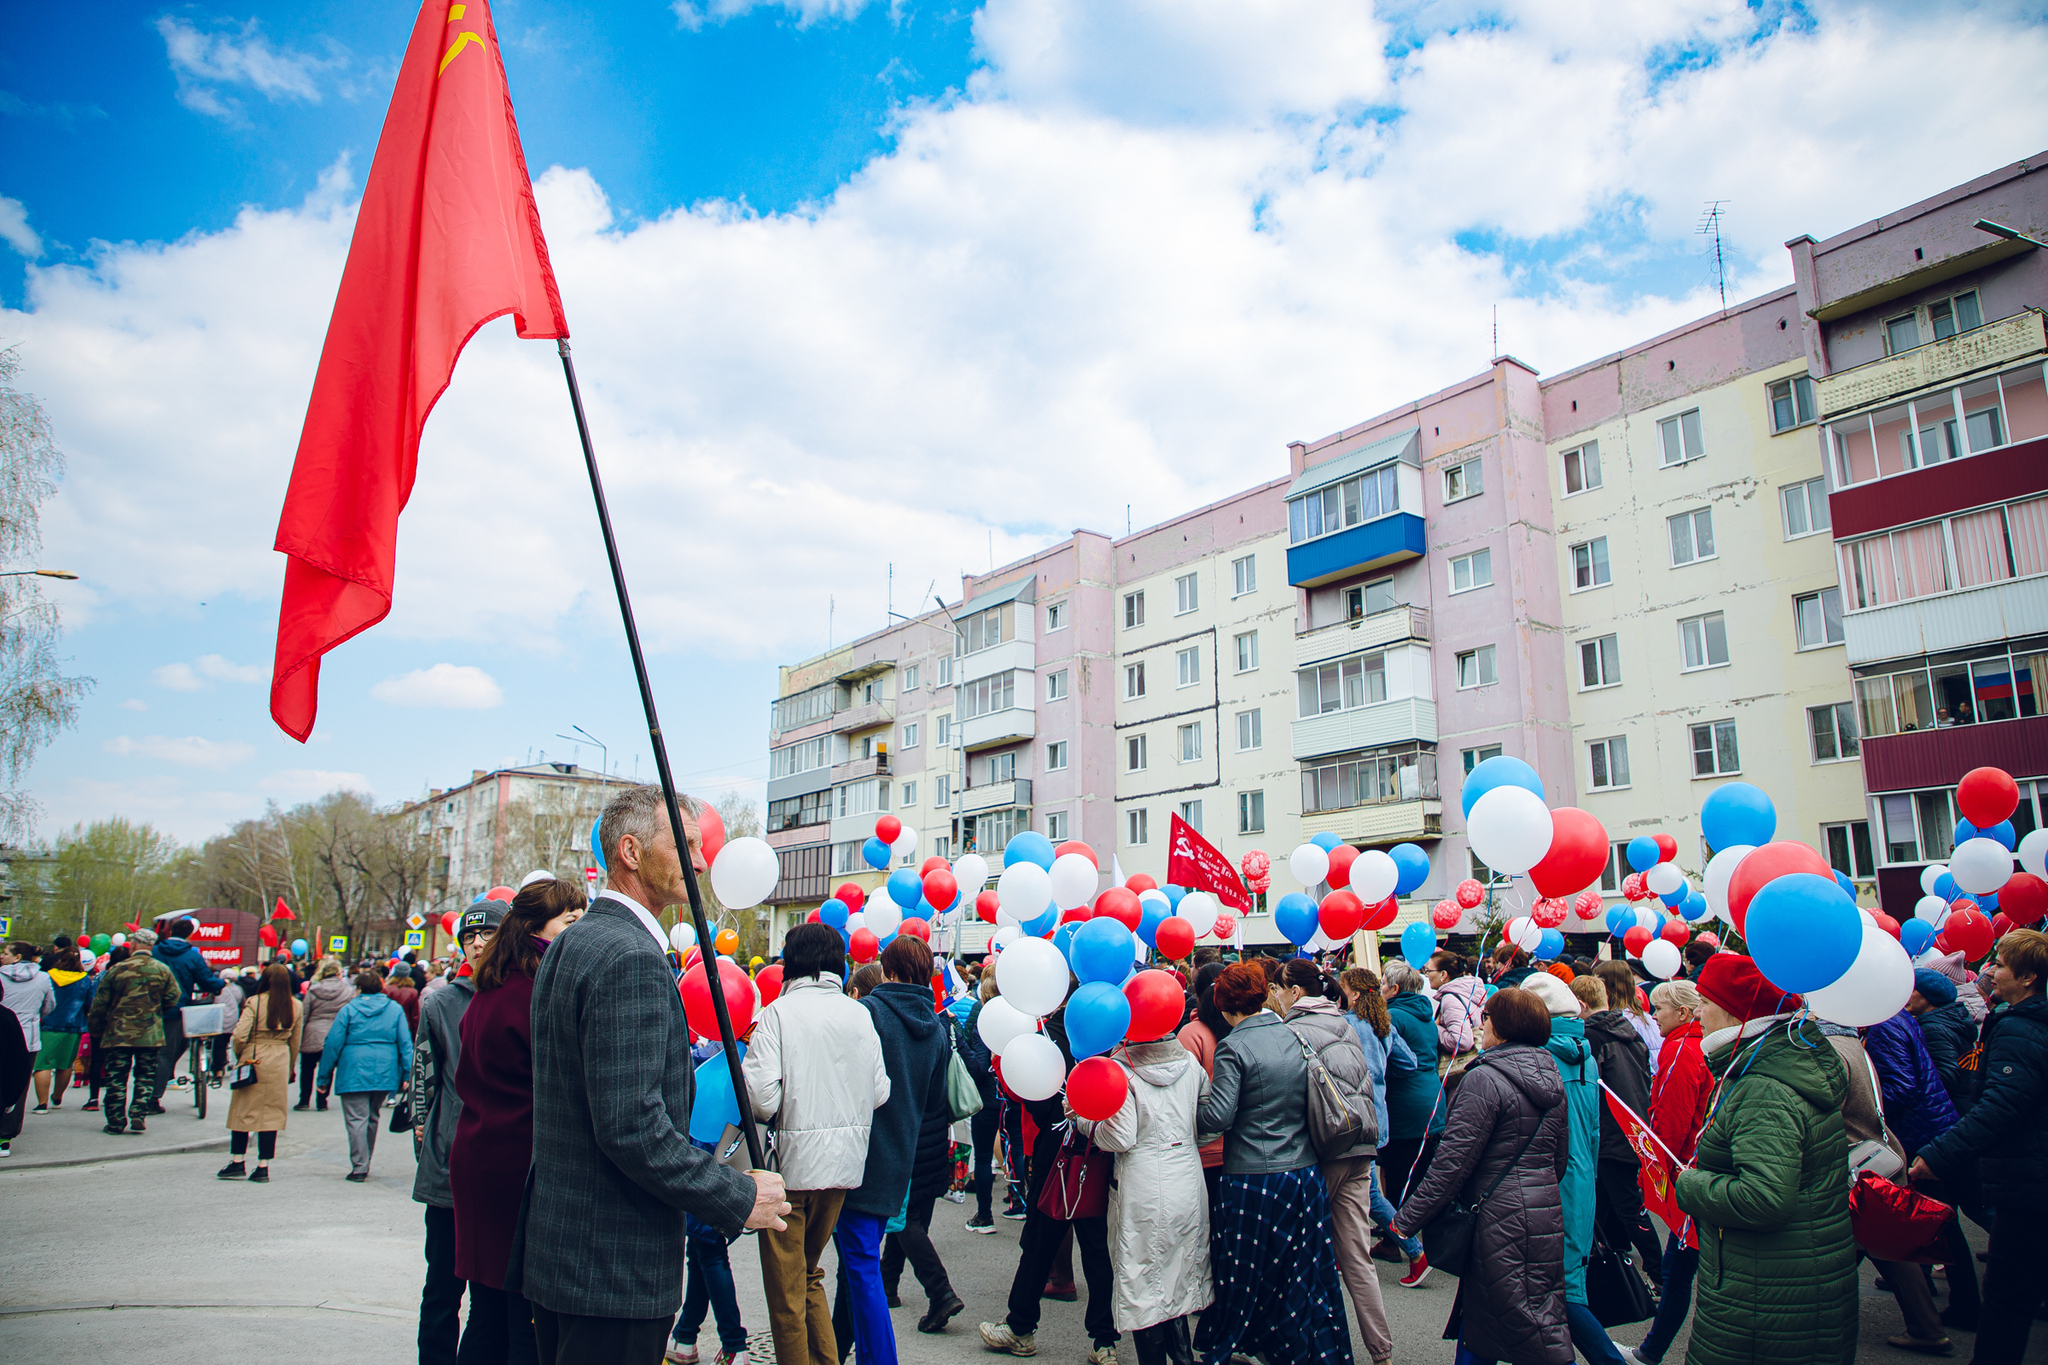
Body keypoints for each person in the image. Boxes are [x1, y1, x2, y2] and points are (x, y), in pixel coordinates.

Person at [520, 785, 785, 1365]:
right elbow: (632, 1127)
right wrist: (738, 1194)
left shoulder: (578, 941)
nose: (701, 859)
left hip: (569, 1258)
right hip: (613, 1267)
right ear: (632, 852)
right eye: (686, 844)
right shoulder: (629, 956)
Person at [1673, 954, 1855, 1365]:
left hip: (1767, 1292)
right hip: (1785, 1277)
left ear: (1739, 1010)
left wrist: (1690, 1183)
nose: (1697, 1011)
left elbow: (1765, 1197)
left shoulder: (1763, 1088)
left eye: (1705, 1000)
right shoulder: (1771, 1062)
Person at [1391, 987, 1571, 1365]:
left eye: (1486, 1017)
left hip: (1497, 1214)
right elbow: (1559, 1159)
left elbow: (1452, 1163)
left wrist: (1406, 1219)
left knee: (1522, 1322)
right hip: (1544, 1209)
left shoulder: (1484, 1079)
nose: (1481, 1022)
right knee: (1520, 1310)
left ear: (1503, 1026)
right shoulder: (1550, 1071)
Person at [742, 922, 889, 1365]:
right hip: (843, 1168)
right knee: (809, 1276)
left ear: (793, 962)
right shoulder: (858, 1013)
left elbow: (762, 1098)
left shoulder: (778, 1014)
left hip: (790, 1169)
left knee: (787, 1290)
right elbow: (880, 1090)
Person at [1189, 961, 1349, 1365]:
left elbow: (1217, 1118)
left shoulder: (1233, 1046)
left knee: (1247, 1272)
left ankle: (1244, 1343)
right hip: (1303, 1171)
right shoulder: (1292, 1033)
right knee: (1300, 1270)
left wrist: (1189, 1104)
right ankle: (1298, 1346)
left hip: (1254, 1178)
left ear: (1224, 1006)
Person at [454, 885, 581, 1362]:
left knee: (488, 1312)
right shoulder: (532, 991)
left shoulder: (492, 984)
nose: (579, 931)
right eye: (570, 921)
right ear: (533, 929)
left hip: (483, 1156)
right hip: (515, 1167)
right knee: (521, 1322)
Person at [1911, 928, 2048, 1364]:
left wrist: (1939, 1152)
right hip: (2028, 1172)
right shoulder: (2018, 1021)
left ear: (2027, 978)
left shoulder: (2019, 1030)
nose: (1990, 970)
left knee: (2007, 1295)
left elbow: (2002, 1106)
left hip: (2028, 1179)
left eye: (2002, 964)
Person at [1071, 991, 1212, 1365]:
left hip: (1143, 1184)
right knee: (1177, 1278)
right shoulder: (1191, 1065)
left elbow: (1120, 1136)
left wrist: (1082, 1119)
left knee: (1141, 1282)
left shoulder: (1120, 1068)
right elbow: (1208, 1125)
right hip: (1187, 1177)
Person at [979, 999, 1120, 1364]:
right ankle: (1104, 1341)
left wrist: (1058, 1119)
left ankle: (1021, 1327)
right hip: (1099, 1149)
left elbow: (1035, 1100)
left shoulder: (1046, 1037)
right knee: (1096, 1249)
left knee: (1041, 1243)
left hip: (1056, 1155)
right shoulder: (1110, 1040)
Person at [835, 936, 949, 1365]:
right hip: (901, 1156)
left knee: (861, 1269)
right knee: (858, 1265)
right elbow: (935, 1098)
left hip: (857, 1154)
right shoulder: (936, 1028)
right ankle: (838, 1347)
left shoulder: (869, 1012)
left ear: (890, 972)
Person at [1281, 958, 1391, 1365]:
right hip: (1362, 1144)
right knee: (1358, 1257)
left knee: (1301, 1250)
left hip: (1323, 1148)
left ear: (1294, 992)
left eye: (1279, 988)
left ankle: (1301, 1344)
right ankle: (1382, 1352)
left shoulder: (1291, 1030)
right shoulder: (1346, 1023)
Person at [1520, 971, 1625, 1365]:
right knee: (1564, 1287)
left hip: (1548, 1186)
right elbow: (1594, 1132)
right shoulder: (1583, 1053)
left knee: (1559, 1294)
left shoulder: (1538, 1057)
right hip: (1581, 1182)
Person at [415, 899, 498, 1365]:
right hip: (446, 1171)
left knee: (491, 1296)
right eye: (469, 936)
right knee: (442, 1289)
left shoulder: (518, 996)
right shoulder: (441, 1003)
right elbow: (423, 1083)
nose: (478, 943)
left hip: (497, 1170)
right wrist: (426, 1148)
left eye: (487, 934)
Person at [879, 942, 967, 1336]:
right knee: (910, 1216)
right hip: (934, 1131)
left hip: (902, 1134)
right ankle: (888, 1285)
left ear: (893, 972)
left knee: (903, 1220)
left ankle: (941, 1291)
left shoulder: (880, 1015)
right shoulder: (938, 1021)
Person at [1622, 980, 1711, 1365]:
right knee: (1683, 1266)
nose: (1653, 1015)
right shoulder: (1700, 1044)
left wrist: (1656, 1174)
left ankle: (1651, 1352)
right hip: (1696, 1165)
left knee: (1680, 1268)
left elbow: (1671, 1122)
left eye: (1659, 1008)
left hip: (1687, 1169)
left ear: (1683, 1013)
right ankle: (1651, 1350)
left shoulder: (1679, 1049)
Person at [1581, 974, 1663, 1284]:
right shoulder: (1629, 1030)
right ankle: (1595, 1270)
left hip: (1613, 1133)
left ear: (1581, 1004)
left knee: (1629, 1205)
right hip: (1632, 1127)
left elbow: (1592, 1087)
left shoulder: (1594, 1037)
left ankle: (1659, 1271)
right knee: (1600, 1205)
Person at [1338, 968, 1419, 1268]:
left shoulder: (1348, 1025)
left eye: (1343, 988)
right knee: (1362, 1189)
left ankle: (1414, 1250)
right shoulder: (1382, 1024)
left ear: (1355, 994)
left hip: (1359, 1119)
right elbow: (1409, 1063)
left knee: (1369, 1193)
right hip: (1380, 1118)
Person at [1380, 959, 1445, 1287]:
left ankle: (1397, 1240)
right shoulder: (1426, 1014)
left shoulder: (1392, 1017)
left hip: (1405, 1104)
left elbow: (1390, 1061)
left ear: (1394, 988)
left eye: (1382, 984)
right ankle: (1414, 1238)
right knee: (1422, 1176)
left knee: (1397, 1175)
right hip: (1432, 1101)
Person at [316, 970, 413, 1181]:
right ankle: (365, 1160)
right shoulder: (394, 1010)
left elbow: (333, 1043)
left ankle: (360, 1165)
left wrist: (323, 1077)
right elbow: (405, 1043)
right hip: (385, 1069)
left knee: (356, 1118)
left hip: (354, 1068)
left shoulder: (349, 1010)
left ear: (358, 988)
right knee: (372, 1116)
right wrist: (408, 1073)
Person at [85, 929, 179, 1134]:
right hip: (150, 1033)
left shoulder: (118, 969)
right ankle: (138, 1112)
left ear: (134, 945)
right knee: (145, 1075)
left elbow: (100, 1004)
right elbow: (173, 997)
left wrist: (96, 1029)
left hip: (119, 1033)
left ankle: (116, 1121)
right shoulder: (162, 969)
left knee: (117, 1077)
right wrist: (155, 1010)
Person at [215, 963, 302, 1183]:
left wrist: (239, 1055)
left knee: (243, 1110)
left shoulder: (255, 1002)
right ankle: (263, 1166)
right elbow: (295, 1040)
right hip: (280, 1057)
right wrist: (290, 1066)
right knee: (272, 1114)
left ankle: (237, 1161)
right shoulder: (296, 1005)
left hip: (254, 1055)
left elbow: (239, 1035)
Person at [150, 917, 225, 1110]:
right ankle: (153, 1098)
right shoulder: (192, 956)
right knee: (169, 1052)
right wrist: (221, 984)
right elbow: (206, 980)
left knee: (151, 1051)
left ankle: (148, 1084)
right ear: (190, 934)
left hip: (151, 1007)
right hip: (176, 1008)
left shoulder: (156, 950)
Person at [1175, 961, 1231, 1205]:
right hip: (1239, 1147)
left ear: (1196, 994)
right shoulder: (1241, 1028)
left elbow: (1181, 1096)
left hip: (1201, 1151)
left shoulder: (1191, 1033)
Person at [960, 974, 1004, 1233]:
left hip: (987, 1097)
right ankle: (1022, 1204)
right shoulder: (1021, 1018)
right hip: (1014, 1095)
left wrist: (962, 1044)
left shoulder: (984, 1024)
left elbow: (978, 1067)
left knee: (984, 1156)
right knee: (1018, 1148)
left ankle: (985, 1215)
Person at [1905, 968, 1977, 1111]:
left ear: (1929, 997)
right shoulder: (1945, 1021)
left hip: (1944, 1112)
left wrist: (1909, 1084)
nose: (1905, 995)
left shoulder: (1934, 1029)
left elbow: (1946, 1076)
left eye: (1911, 990)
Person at [32, 946, 91, 1112]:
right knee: (64, 1065)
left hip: (48, 1025)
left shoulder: (48, 976)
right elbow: (88, 1003)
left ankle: (41, 1104)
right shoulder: (84, 979)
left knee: (42, 1065)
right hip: (73, 1027)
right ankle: (57, 1097)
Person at [297, 958, 355, 1111]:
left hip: (313, 1032)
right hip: (335, 1033)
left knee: (307, 1068)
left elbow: (305, 1013)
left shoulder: (313, 990)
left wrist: (299, 1035)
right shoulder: (348, 991)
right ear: (338, 973)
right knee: (327, 1068)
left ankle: (304, 1100)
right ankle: (322, 1101)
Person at [1428, 951, 1487, 1075]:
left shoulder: (1450, 998)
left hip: (1461, 1074)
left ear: (1443, 974)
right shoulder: (1468, 990)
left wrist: (1434, 1028)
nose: (1426, 975)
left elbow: (1462, 1041)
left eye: (1429, 971)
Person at [386, 963, 422, 1037]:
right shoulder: (413, 992)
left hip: (389, 1025)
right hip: (406, 1026)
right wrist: (415, 1034)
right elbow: (415, 1016)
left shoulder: (387, 990)